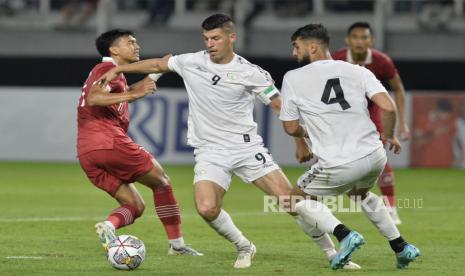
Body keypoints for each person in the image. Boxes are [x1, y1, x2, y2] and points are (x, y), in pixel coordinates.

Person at [98, 14, 359, 269]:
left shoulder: (252, 73)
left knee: (292, 203)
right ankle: (244, 245)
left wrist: (300, 140)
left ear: (231, 37)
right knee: (207, 208)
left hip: (246, 148)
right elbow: (157, 64)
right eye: (206, 38)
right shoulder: (191, 62)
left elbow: (280, 106)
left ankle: (333, 252)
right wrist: (120, 68)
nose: (209, 44)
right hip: (210, 151)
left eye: (215, 38)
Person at [280, 24, 420, 270]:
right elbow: (388, 107)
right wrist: (388, 135)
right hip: (375, 155)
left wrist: (306, 132)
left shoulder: (293, 78)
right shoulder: (357, 71)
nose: (294, 52)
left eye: (296, 46)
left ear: (312, 46)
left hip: (339, 162)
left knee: (294, 202)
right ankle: (401, 246)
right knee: (359, 194)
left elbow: (291, 128)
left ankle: (343, 235)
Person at [77, 29, 202, 257]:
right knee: (162, 182)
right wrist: (133, 96)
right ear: (113, 50)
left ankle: (109, 226)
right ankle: (177, 245)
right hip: (109, 141)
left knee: (135, 205)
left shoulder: (113, 75)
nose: (136, 46)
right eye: (130, 42)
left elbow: (129, 90)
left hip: (87, 151)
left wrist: (157, 73)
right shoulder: (106, 69)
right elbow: (94, 98)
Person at [333, 22, 409, 224]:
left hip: (372, 113)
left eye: (364, 37)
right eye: (355, 37)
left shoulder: (381, 61)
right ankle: (320, 204)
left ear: (371, 40)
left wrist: (402, 123)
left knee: (380, 156)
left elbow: (398, 89)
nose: (360, 41)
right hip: (343, 115)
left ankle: (391, 208)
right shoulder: (336, 58)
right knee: (330, 156)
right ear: (348, 40)